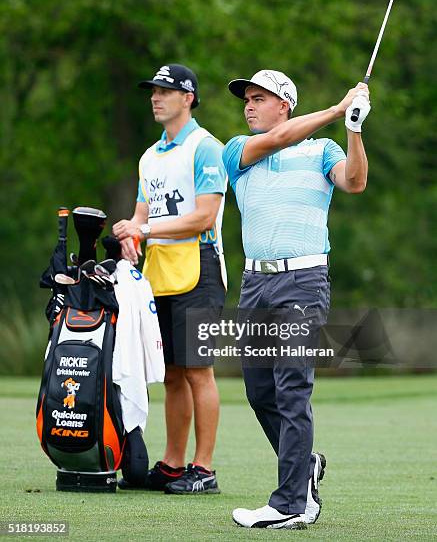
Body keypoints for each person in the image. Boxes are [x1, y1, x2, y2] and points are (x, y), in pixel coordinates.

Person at [222, 70, 370, 529]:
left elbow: (354, 181)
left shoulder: (321, 149)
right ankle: (304, 466)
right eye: (246, 99)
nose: (248, 106)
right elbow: (281, 138)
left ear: (284, 103)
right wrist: (335, 108)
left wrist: (354, 127)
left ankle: (291, 503)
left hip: (303, 280)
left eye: (258, 98)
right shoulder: (237, 152)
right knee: (259, 391)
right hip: (255, 284)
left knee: (291, 388)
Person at [113, 63, 227, 494]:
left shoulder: (205, 147)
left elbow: (203, 216)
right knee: (173, 373)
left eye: (164, 91)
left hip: (201, 268)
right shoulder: (149, 155)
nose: (155, 98)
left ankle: (205, 468)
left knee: (199, 371)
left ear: (188, 97)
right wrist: (131, 235)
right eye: (153, 91)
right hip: (160, 271)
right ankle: (174, 464)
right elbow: (143, 215)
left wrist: (144, 229)